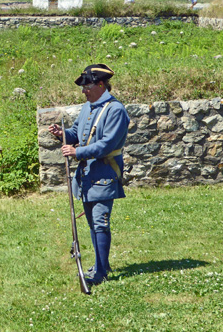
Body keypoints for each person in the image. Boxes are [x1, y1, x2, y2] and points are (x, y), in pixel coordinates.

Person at [49, 64, 130, 286]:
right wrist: (62, 134)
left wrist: (77, 152)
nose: (84, 91)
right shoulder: (89, 106)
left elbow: (106, 144)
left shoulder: (115, 110)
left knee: (100, 222)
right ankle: (100, 264)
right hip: (87, 175)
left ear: (101, 85)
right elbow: (76, 132)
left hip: (104, 173)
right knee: (93, 225)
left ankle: (101, 272)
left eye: (88, 87)